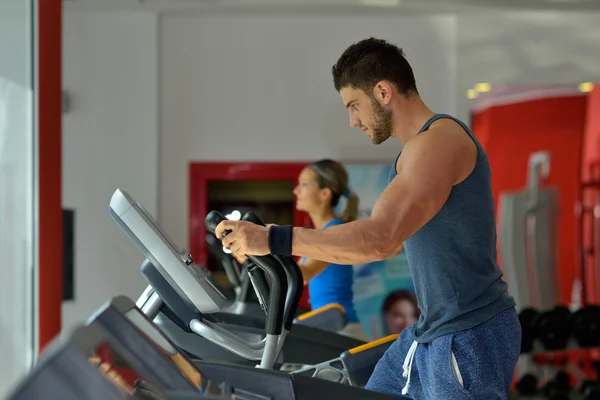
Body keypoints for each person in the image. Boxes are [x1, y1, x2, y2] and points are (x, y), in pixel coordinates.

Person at [215, 37, 521, 399]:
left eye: (354, 105)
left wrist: (273, 238)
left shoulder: (438, 143)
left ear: (383, 91)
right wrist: (270, 248)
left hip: (467, 331)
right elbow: (386, 246)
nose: (352, 120)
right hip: (430, 331)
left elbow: (380, 239)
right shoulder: (413, 155)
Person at [293, 159, 367, 341]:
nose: (296, 191)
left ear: (324, 193)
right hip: (327, 326)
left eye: (304, 184)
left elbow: (303, 274)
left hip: (342, 329)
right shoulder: (321, 233)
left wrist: (265, 247)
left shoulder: (334, 232)